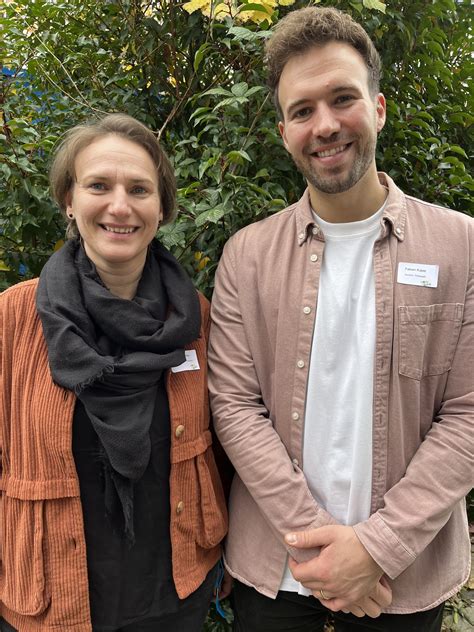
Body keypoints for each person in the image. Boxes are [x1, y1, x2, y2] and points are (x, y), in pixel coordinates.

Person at [208, 6, 473, 632]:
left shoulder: (463, 246)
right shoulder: (247, 255)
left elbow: (468, 412)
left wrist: (374, 549)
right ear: (284, 131)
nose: (324, 125)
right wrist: (321, 548)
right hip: (276, 580)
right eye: (302, 110)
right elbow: (235, 406)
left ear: (378, 108)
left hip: (398, 583)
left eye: (343, 99)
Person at [0, 113, 228, 632]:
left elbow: (223, 445)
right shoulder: (14, 318)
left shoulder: (195, 318)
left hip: (176, 592)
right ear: (69, 200)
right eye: (98, 185)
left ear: (162, 207)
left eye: (140, 189)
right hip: (50, 599)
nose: (119, 206)